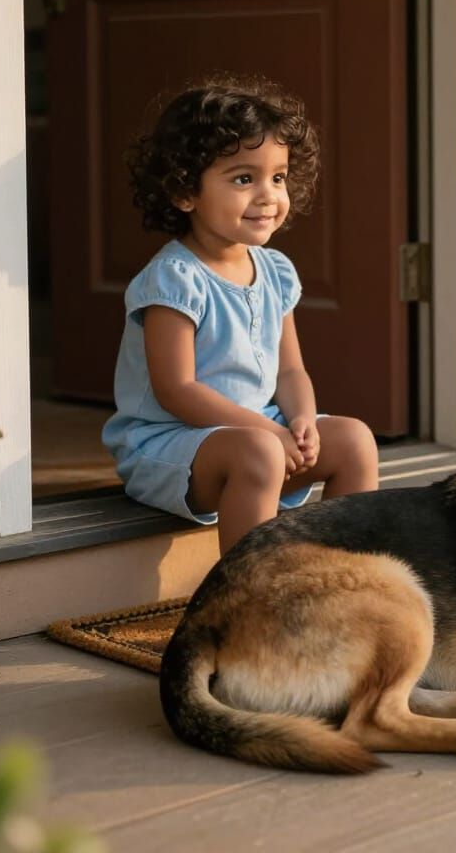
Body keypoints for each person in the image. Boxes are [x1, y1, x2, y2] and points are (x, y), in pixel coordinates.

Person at [102, 75, 379, 555]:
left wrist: (302, 421)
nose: (268, 195)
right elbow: (176, 391)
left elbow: (290, 369)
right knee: (261, 452)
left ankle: (343, 577)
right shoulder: (174, 278)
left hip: (258, 430)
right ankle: (248, 594)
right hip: (169, 443)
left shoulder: (274, 270)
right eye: (243, 178)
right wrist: (269, 432)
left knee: (353, 439)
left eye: (278, 176)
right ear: (186, 191)